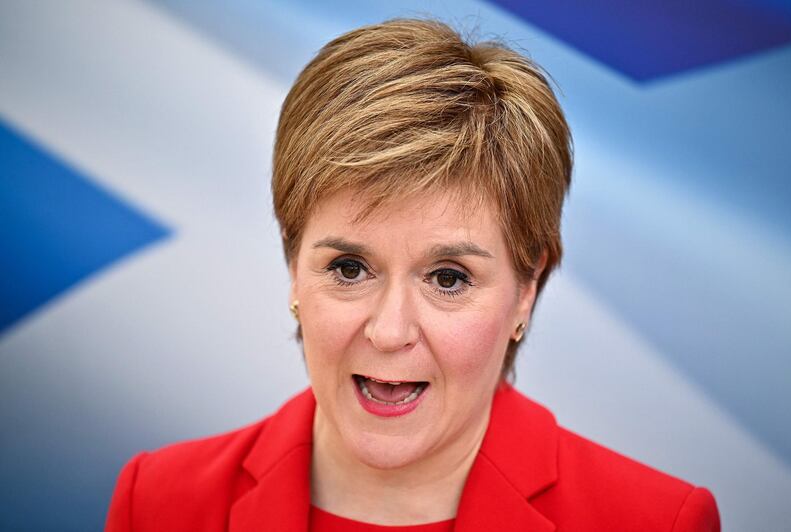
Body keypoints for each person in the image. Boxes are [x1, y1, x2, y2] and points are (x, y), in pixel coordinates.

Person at [106, 18, 720, 531]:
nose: (390, 331)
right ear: (294, 270)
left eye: (448, 278)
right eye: (349, 268)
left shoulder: (657, 520)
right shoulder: (158, 502)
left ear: (525, 291)